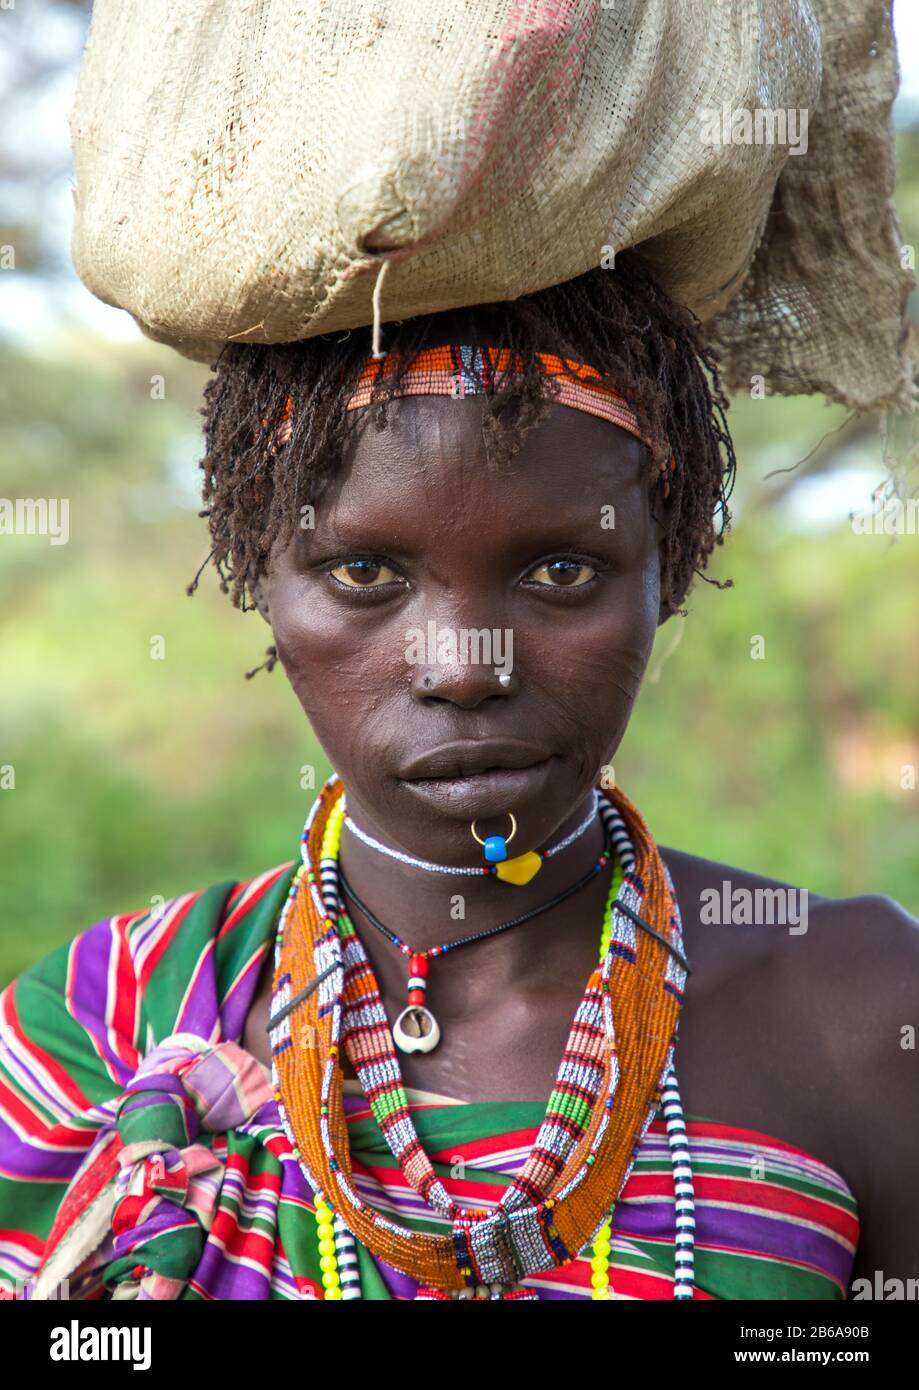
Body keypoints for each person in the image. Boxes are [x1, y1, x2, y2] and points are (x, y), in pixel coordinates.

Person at [1, 255, 917, 1302]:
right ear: (260, 573)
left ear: (670, 565)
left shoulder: (863, 1011)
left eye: (560, 570)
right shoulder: (94, 1034)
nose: (465, 666)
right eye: (364, 572)